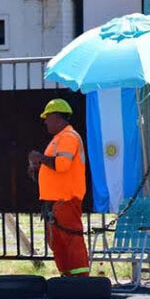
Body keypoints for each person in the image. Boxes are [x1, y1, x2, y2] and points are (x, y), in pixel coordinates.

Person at [28, 99, 90, 277]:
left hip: (66, 200)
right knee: (58, 242)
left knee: (71, 240)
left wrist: (40, 158)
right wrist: (39, 168)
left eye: (47, 117)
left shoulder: (68, 137)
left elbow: (62, 165)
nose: (45, 121)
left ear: (56, 117)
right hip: (56, 202)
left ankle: (81, 280)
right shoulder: (58, 139)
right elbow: (55, 167)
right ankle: (68, 278)